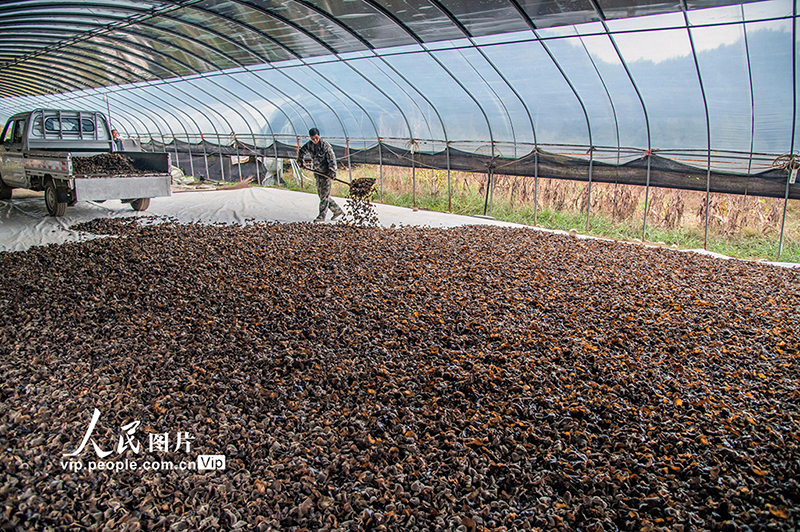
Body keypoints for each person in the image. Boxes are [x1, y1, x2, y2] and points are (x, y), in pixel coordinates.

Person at [297, 128, 344, 222]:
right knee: (322, 195)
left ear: (319, 135)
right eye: (312, 138)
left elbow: (332, 160)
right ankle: (337, 210)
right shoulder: (309, 145)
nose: (314, 140)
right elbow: (301, 151)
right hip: (317, 173)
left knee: (324, 196)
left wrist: (332, 173)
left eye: (316, 137)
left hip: (326, 174)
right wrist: (301, 162)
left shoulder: (326, 146)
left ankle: (322, 216)